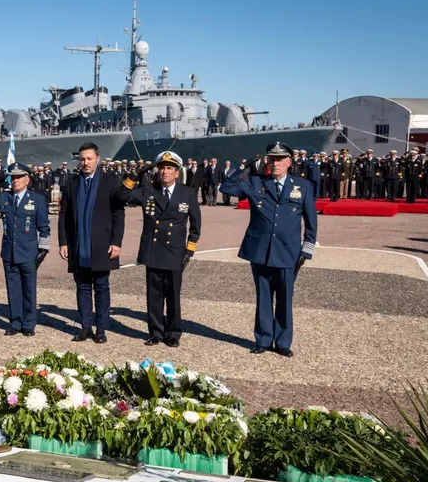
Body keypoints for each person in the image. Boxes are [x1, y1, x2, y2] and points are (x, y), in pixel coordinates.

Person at [219, 142, 317, 357]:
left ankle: (282, 342)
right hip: (260, 251)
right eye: (271, 159)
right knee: (263, 297)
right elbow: (225, 188)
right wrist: (243, 166)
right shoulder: (255, 183)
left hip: (288, 252)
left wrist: (306, 250)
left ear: (289, 162)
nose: (275, 163)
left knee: (284, 298)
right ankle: (263, 339)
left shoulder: (303, 186)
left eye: (280, 159)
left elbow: (311, 222)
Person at [119, 151, 201, 347]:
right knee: (154, 295)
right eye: (162, 167)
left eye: (169, 168)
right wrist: (134, 175)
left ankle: (173, 333)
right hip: (153, 249)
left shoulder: (187, 193)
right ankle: (156, 332)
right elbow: (122, 196)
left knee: (173, 295)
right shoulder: (149, 190)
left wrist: (189, 251)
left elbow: (196, 226)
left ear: (176, 172)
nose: (165, 171)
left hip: (175, 251)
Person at [58, 142, 125, 343]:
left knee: (102, 286)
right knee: (82, 286)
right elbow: (64, 214)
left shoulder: (110, 182)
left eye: (89, 158)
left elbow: (118, 214)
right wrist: (63, 242)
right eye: (82, 159)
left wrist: (117, 242)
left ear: (97, 158)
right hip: (79, 243)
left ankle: (101, 328)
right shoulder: (71, 183)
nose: (85, 162)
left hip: (102, 243)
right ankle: (86, 326)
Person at [0, 163, 50, 336]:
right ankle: (15, 323)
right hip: (9, 253)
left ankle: (28, 324)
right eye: (13, 177)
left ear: (27, 179)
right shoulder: (5, 198)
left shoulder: (37, 199)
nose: (16, 180)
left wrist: (44, 249)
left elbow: (44, 227)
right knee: (13, 289)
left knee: (29, 289)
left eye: (19, 177)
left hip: (29, 253)